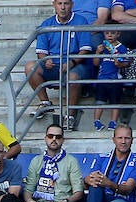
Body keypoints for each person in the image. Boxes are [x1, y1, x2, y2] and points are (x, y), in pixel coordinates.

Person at [26, 0, 95, 129]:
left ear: (72, 5)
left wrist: (71, 62)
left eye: (66, 3)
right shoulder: (46, 24)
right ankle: (45, 103)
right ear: (54, 5)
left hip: (75, 64)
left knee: (73, 77)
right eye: (60, 3)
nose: (63, 7)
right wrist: (46, 60)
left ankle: (70, 115)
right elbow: (41, 51)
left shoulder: (81, 21)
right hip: (54, 65)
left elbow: (85, 49)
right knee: (30, 67)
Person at [21, 125, 84, 202]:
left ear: (63, 140)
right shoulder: (37, 161)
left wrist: (65, 201)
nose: (54, 139)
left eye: (58, 137)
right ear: (45, 138)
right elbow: (28, 189)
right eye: (50, 136)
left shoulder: (71, 161)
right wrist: (29, 200)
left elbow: (79, 192)